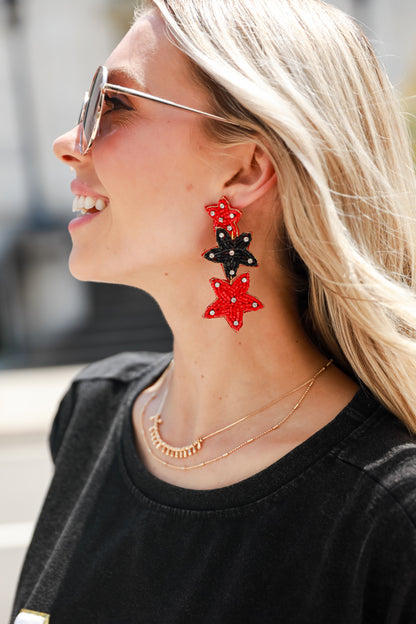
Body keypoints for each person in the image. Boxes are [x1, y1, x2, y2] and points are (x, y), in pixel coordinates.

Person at [10, 0, 416, 622]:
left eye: (112, 104)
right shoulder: (92, 413)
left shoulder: (389, 513)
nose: (69, 142)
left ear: (246, 167)